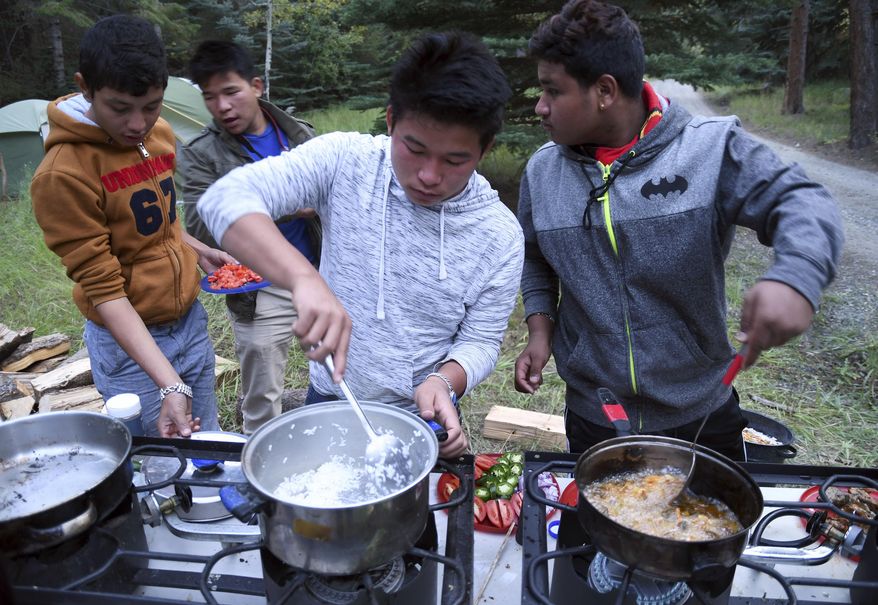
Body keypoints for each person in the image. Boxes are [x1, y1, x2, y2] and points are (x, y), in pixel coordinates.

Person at [514, 0, 843, 460]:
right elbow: (533, 257)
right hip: (596, 416)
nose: (540, 106)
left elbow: (801, 199)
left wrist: (796, 277)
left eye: (552, 91)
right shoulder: (543, 172)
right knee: (595, 532)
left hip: (701, 414)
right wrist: (540, 327)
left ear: (604, 91)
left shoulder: (708, 150)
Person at [197, 32, 524, 458]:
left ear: (485, 149)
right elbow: (223, 200)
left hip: (419, 415)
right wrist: (302, 278)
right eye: (414, 148)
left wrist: (445, 380)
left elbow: (481, 338)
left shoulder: (499, 234)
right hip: (332, 395)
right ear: (391, 121)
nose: (429, 174)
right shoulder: (344, 162)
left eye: (454, 160)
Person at [30, 15, 235, 437]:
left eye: (151, 106)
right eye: (120, 109)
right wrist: (169, 383)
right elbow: (104, 291)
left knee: (206, 442)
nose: (138, 124)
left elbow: (157, 224)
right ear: (85, 86)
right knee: (158, 461)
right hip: (129, 348)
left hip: (189, 323)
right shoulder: (63, 175)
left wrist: (196, 249)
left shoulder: (157, 135)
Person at [181, 40, 320, 435]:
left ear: (256, 86)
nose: (222, 106)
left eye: (231, 92)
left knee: (336, 373)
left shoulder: (298, 133)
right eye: (210, 97)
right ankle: (259, 458)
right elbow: (201, 225)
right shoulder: (201, 155)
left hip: (321, 272)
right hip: (259, 286)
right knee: (261, 392)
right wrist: (288, 204)